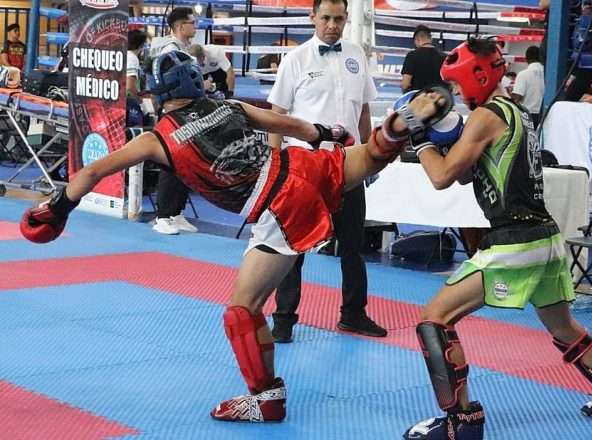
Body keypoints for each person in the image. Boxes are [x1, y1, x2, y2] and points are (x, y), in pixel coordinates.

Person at [19, 50, 450, 423]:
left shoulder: (156, 139)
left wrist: (58, 208)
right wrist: (328, 135)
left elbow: (94, 170)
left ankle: (265, 398)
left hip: (279, 204)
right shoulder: (229, 106)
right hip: (303, 165)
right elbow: (294, 126)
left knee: (242, 311)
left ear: (158, 92)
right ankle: (402, 125)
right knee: (373, 153)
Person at [401, 39, 592, 440]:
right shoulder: (514, 111)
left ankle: (460, 423)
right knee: (564, 328)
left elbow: (441, 177)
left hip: (515, 242)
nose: (457, 93)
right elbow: (464, 175)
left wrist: (419, 136)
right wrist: (445, 140)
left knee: (435, 319)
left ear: (476, 75)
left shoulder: (486, 115)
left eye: (458, 84)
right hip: (545, 239)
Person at [267, 0, 386, 342]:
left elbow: (363, 111)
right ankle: (284, 319)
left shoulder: (356, 55)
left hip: (349, 164)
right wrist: (275, 163)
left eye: (339, 18)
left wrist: (371, 155)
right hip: (306, 168)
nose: (333, 25)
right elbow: (276, 114)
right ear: (313, 18)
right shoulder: (296, 59)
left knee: (353, 245)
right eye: (326, 18)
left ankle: (353, 314)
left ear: (346, 19)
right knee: (293, 246)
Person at [150, 7, 198, 235]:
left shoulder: (184, 50)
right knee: (170, 163)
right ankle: (162, 216)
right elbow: (163, 85)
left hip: (187, 112)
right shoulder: (170, 52)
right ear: (180, 26)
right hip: (173, 113)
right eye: (192, 22)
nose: (195, 26)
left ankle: (176, 213)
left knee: (186, 162)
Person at [401, 24, 446, 93]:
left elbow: (405, 84)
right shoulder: (444, 56)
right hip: (440, 97)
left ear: (417, 40)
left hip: (420, 98)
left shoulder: (412, 56)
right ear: (431, 39)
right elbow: (450, 84)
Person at [511, 45, 545, 127]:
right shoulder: (548, 73)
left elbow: (517, 97)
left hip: (527, 115)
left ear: (526, 58)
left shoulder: (523, 74)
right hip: (545, 114)